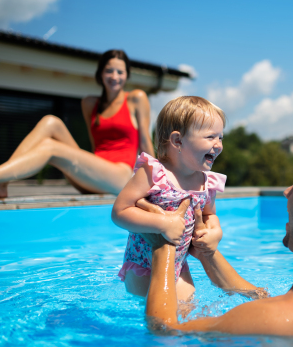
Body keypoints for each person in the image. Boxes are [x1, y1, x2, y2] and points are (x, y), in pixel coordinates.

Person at [142, 140, 293, 336]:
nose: (286, 192)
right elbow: (268, 300)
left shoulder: (271, 319)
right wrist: (208, 255)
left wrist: (164, 245)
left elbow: (165, 331)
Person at [111, 96, 262, 302]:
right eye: (210, 137)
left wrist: (215, 233)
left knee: (188, 307)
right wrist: (163, 223)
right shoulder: (154, 173)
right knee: (153, 316)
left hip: (179, 263)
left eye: (221, 137)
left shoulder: (206, 182)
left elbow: (210, 215)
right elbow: (120, 211)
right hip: (143, 265)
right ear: (178, 141)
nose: (218, 145)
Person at [0, 49, 154, 200]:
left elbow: (145, 143)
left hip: (119, 176)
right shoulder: (89, 103)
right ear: (100, 74)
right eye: (109, 70)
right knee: (50, 122)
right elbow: (94, 146)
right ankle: (0, 183)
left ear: (127, 75)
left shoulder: (136, 98)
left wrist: (157, 182)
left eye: (120, 72)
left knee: (50, 147)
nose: (114, 76)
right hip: (92, 174)